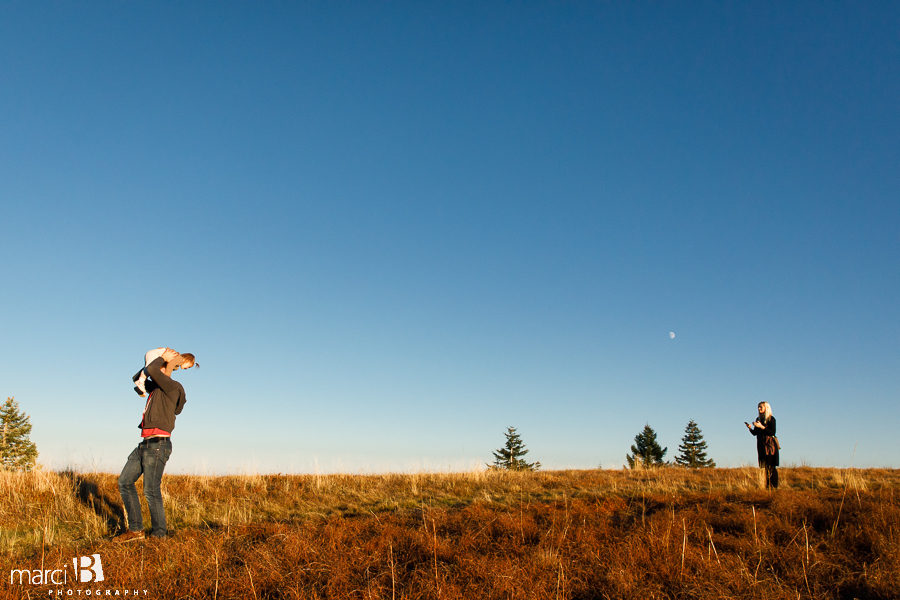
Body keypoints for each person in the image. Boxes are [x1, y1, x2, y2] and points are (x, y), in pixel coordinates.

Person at [115, 348, 191, 542]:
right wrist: (149, 370)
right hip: (145, 444)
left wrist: (163, 360)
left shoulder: (173, 387)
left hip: (158, 444)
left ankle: (159, 536)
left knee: (150, 490)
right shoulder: (157, 388)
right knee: (124, 482)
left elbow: (153, 370)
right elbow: (137, 377)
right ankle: (136, 531)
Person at [745, 401, 779, 489]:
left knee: (771, 466)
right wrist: (750, 428)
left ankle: (774, 487)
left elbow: (772, 432)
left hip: (770, 446)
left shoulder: (771, 419)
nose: (759, 408)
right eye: (758, 407)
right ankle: (768, 487)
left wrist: (761, 427)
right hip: (761, 446)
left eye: (761, 407)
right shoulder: (758, 419)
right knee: (766, 467)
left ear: (766, 408)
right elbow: (755, 433)